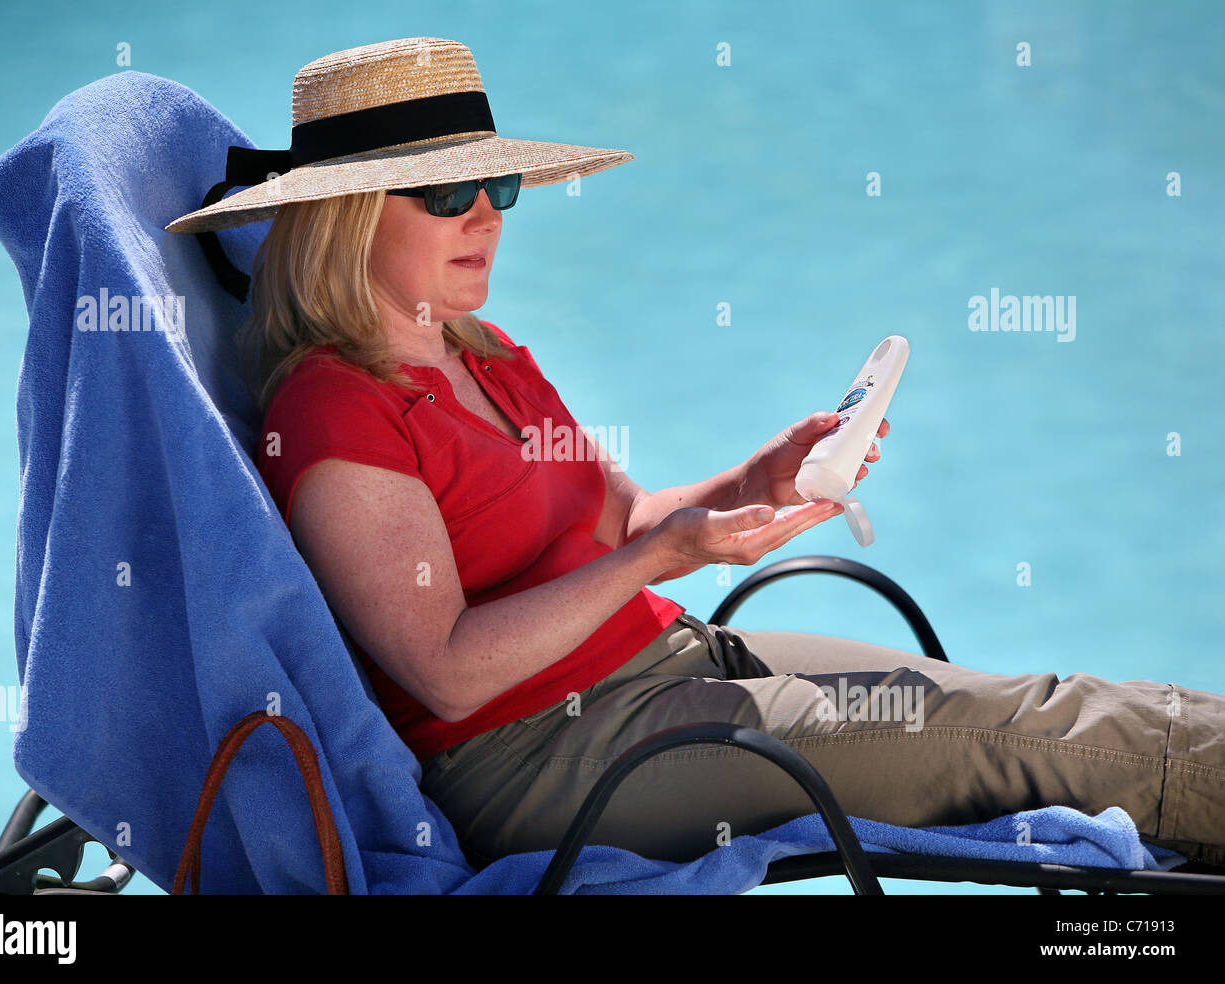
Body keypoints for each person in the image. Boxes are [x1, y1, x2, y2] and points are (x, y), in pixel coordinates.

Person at [167, 38, 1225, 871]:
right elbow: (440, 670)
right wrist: (657, 561)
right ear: (348, 217)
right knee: (1015, 740)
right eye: (447, 195)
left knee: (1018, 705)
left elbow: (620, 519)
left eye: (500, 191)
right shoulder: (334, 411)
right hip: (545, 760)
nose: (484, 216)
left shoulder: (481, 352)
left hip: (665, 668)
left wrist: (749, 481)